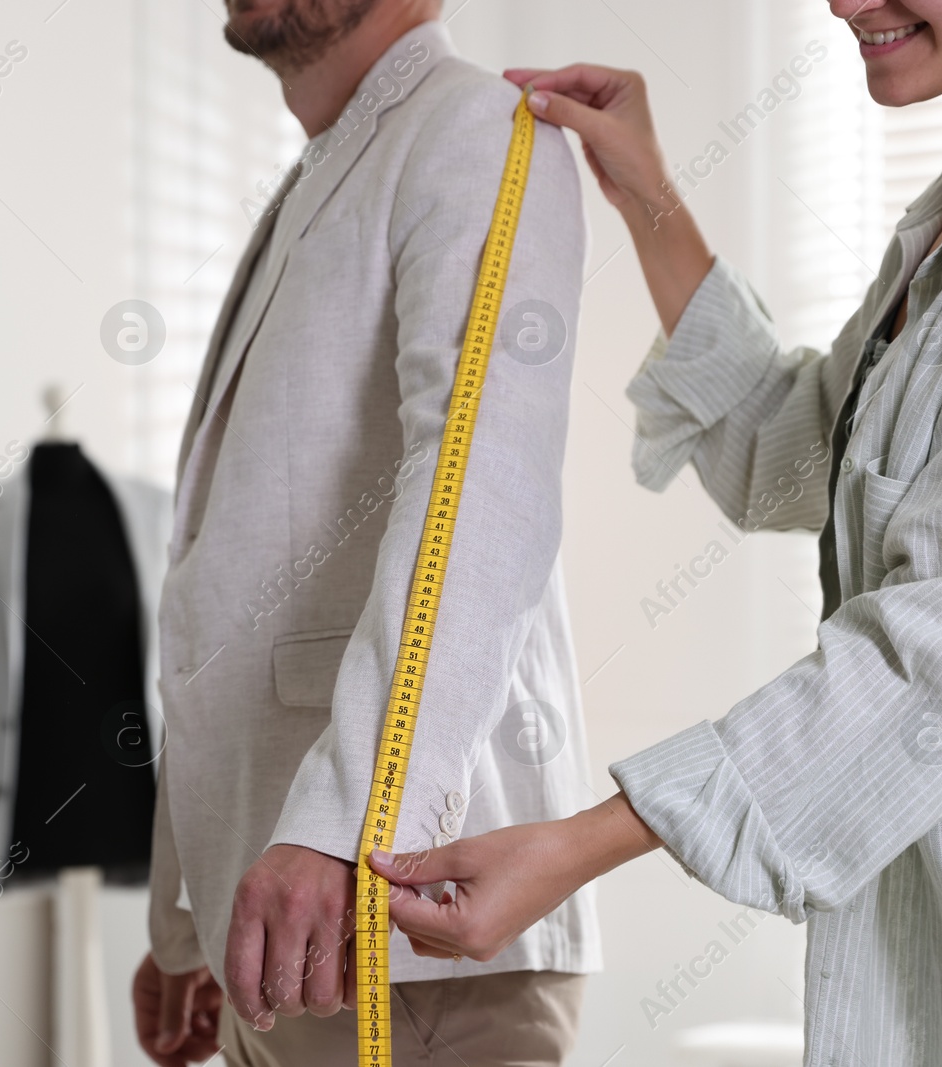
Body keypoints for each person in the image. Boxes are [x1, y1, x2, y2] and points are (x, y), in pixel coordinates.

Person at [368, 0, 942, 1063]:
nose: (843, 2)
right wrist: (648, 194)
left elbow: (934, 662)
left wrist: (579, 844)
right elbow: (796, 451)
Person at [132, 1, 604, 1065]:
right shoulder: (323, 175)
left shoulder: (477, 129)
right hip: (290, 919)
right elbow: (231, 581)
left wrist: (350, 820)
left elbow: (484, 486)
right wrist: (183, 916)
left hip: (408, 922)